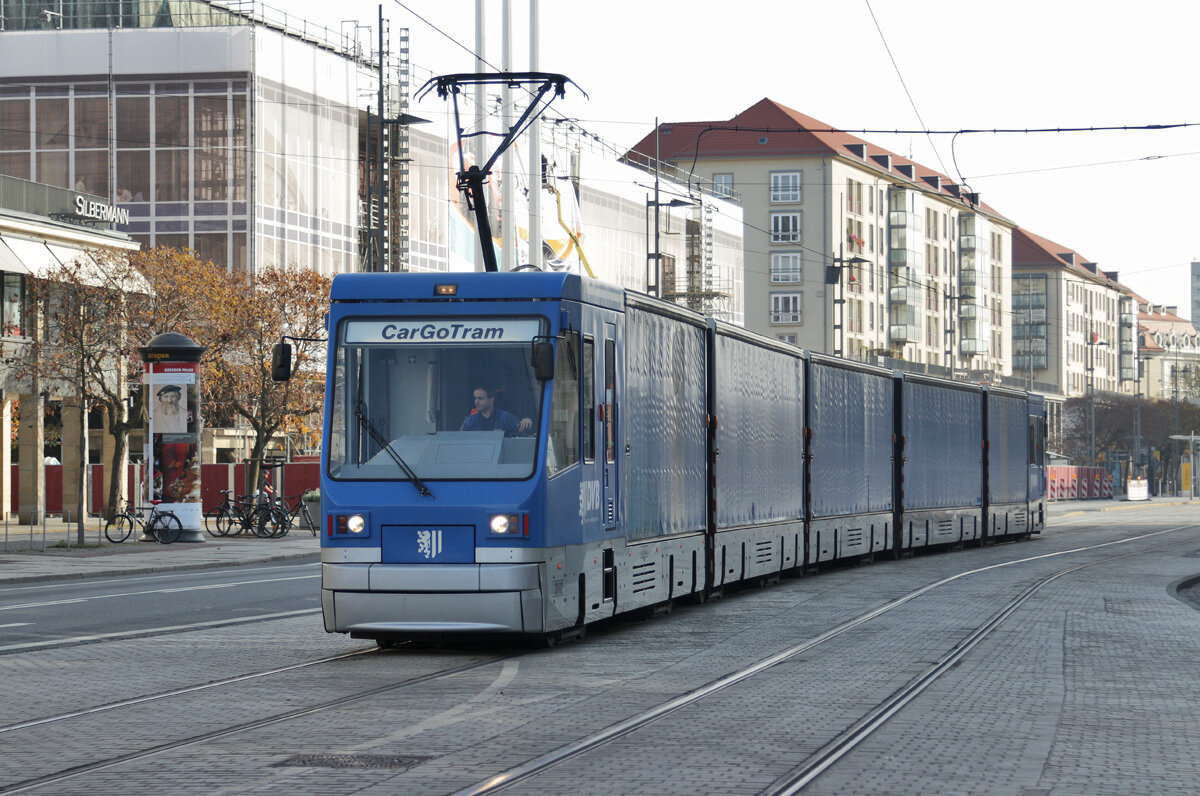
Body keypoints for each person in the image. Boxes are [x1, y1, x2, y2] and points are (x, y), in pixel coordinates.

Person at [460, 386, 532, 434]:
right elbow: (460, 441)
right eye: (475, 398)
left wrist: (526, 422)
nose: (476, 402)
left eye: (480, 398)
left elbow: (520, 430)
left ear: (491, 399)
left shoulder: (505, 417)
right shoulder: (470, 421)